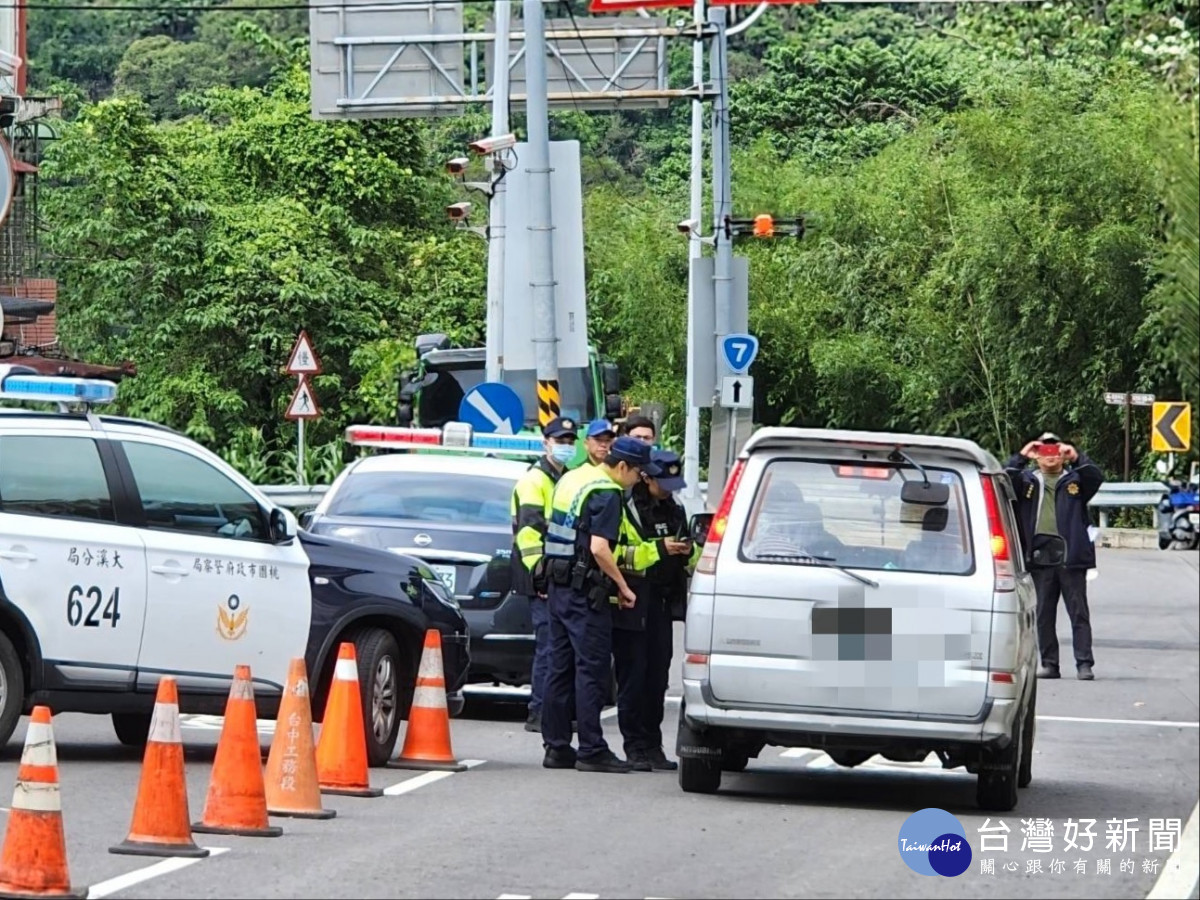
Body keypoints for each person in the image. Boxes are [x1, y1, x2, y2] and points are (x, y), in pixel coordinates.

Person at [540, 436, 659, 773]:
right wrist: (622, 586)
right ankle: (592, 748)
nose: (638, 480)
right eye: (637, 473)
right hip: (584, 592)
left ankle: (557, 746)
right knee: (591, 670)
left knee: (559, 668)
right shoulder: (606, 492)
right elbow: (598, 548)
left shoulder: (573, 477)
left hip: (558, 584)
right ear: (622, 467)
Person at [1005, 431, 1105, 681]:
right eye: (1044, 450)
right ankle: (1050, 664)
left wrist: (1076, 456)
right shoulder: (1027, 481)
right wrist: (1022, 455)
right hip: (1040, 556)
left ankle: (1084, 663)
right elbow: (1005, 479)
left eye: (1054, 450)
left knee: (1078, 612)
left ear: (1061, 454)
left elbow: (1096, 476)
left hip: (1071, 556)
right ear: (1037, 455)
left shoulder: (1076, 481)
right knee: (1043, 614)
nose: (1049, 456)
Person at [624, 449, 697, 771]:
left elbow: (690, 554)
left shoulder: (675, 508)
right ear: (646, 476)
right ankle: (634, 746)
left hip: (665, 602)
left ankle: (653, 745)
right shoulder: (627, 507)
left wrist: (688, 550)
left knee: (657, 676)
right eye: (662, 482)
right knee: (634, 675)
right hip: (635, 598)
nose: (667, 489)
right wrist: (658, 549)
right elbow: (616, 552)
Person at [510, 415, 579, 733]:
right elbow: (528, 534)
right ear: (545, 442)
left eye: (569, 441)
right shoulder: (535, 480)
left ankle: (552, 710)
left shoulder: (562, 477)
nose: (565, 446)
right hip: (538, 573)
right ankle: (539, 712)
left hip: (555, 573)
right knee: (550, 645)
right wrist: (540, 576)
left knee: (558, 646)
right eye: (559, 441)